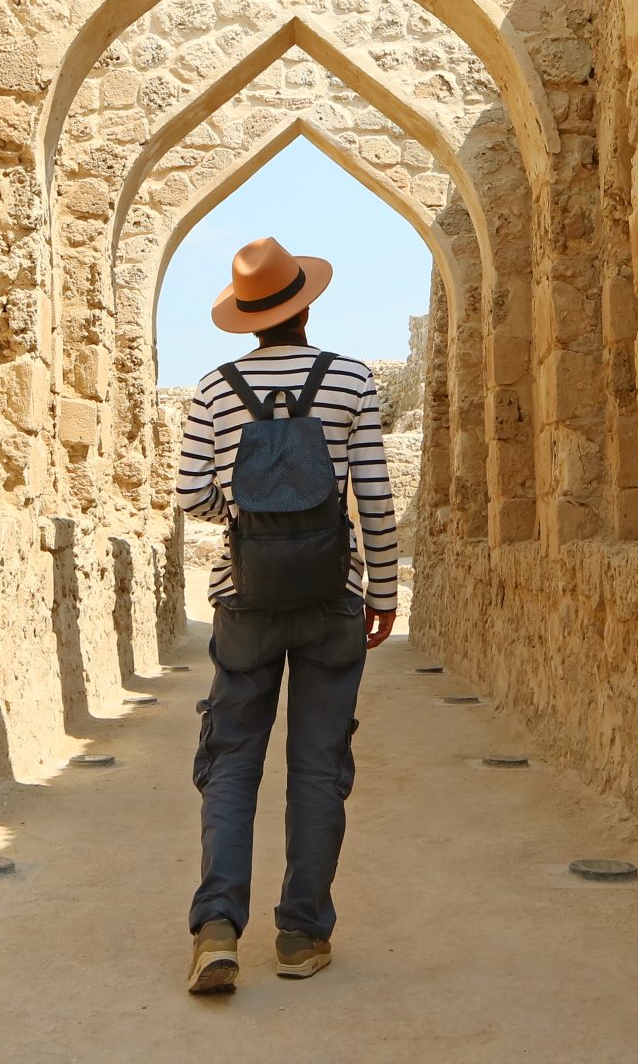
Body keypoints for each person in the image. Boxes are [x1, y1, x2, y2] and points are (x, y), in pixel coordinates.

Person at [174, 236, 399, 994]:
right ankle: (301, 934)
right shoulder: (350, 380)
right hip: (332, 595)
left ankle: (216, 928)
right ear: (306, 305)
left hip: (244, 597)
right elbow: (372, 491)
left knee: (233, 761)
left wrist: (244, 509)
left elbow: (189, 495)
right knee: (317, 765)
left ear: (246, 317)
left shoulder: (212, 388)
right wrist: (385, 591)